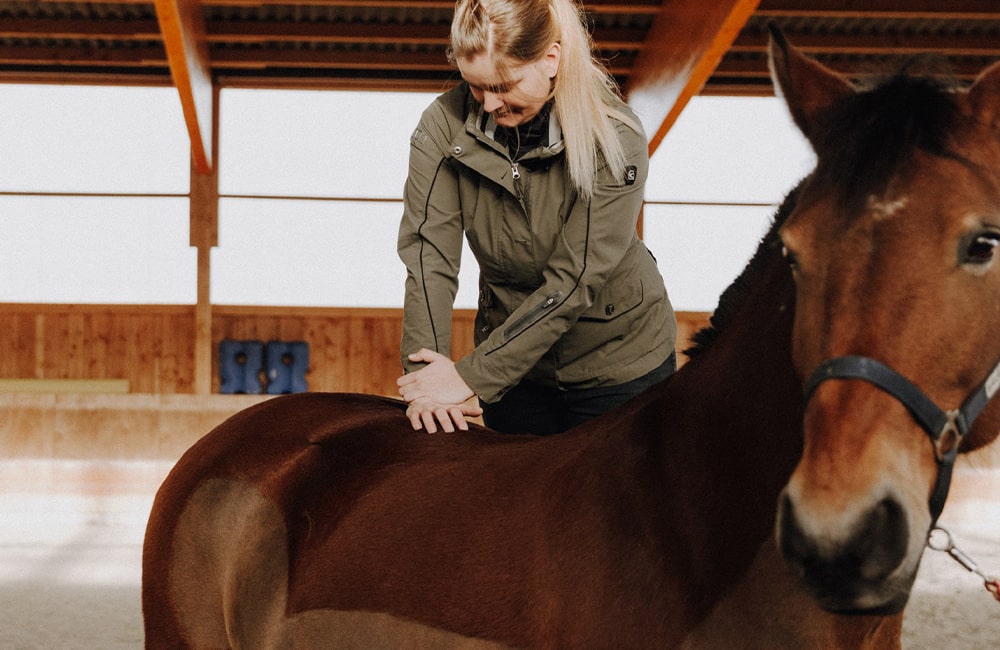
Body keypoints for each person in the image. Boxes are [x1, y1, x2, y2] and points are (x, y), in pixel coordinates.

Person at [396, 0, 676, 435]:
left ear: (551, 59)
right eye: (474, 86)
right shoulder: (440, 128)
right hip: (514, 376)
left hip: (620, 364)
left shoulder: (616, 136)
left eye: (503, 85)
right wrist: (426, 379)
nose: (488, 104)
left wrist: (470, 376)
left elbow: (575, 279)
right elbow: (427, 257)